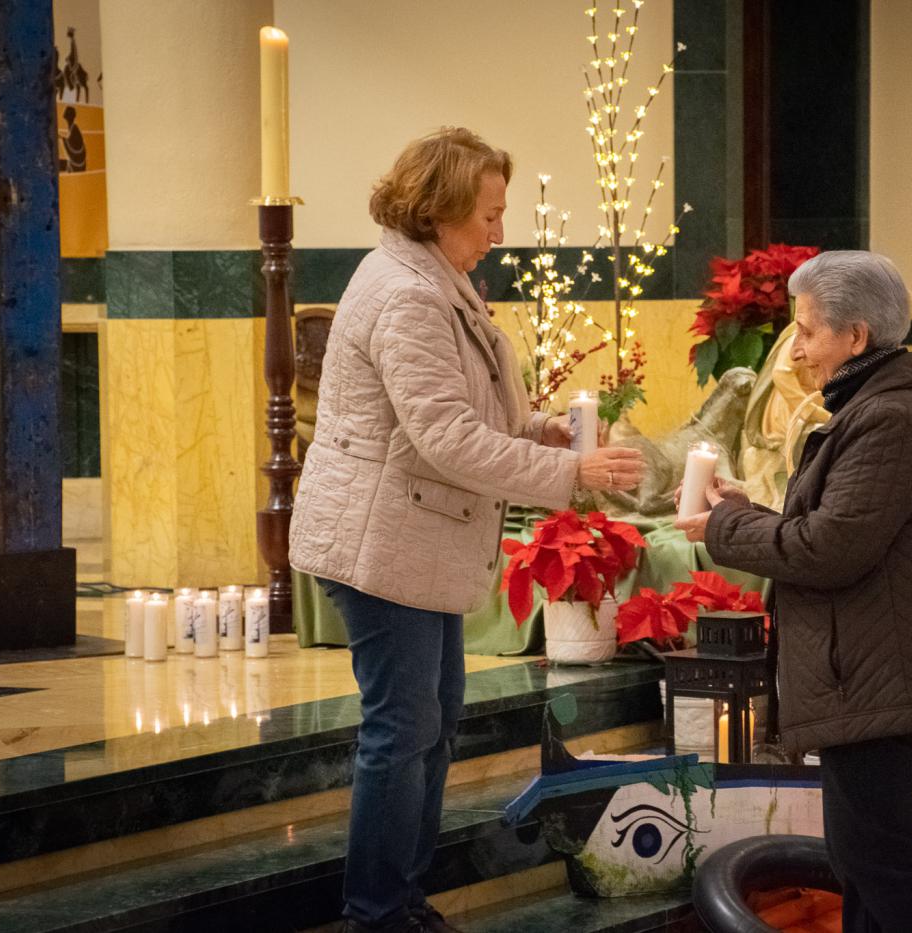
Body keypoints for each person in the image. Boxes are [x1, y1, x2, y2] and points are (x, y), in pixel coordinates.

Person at [290, 127, 644, 933]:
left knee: (433, 722)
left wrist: (542, 431)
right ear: (441, 210)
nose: (499, 232)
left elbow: (466, 414)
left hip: (416, 543)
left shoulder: (432, 279)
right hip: (381, 546)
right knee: (404, 729)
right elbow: (442, 437)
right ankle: (374, 912)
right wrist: (570, 475)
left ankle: (404, 901)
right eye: (488, 214)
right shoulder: (407, 293)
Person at [676, 250, 912, 933]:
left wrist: (723, 527)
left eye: (807, 331)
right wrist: (745, 511)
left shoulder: (890, 420)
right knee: (863, 862)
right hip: (869, 671)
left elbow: (827, 549)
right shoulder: (876, 408)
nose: (795, 352)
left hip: (878, 674)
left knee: (880, 861)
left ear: (856, 338)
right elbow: (826, 529)